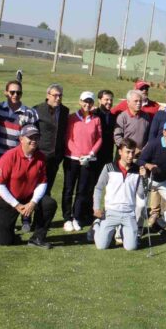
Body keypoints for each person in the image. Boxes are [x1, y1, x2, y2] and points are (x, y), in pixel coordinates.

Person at [0, 125, 58, 249]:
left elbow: (42, 182)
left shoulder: (41, 157)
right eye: (30, 137)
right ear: (21, 139)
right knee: (6, 240)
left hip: (28, 197)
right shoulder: (9, 156)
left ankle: (37, 238)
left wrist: (33, 202)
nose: (34, 140)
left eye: (36, 137)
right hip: (8, 199)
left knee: (49, 203)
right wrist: (16, 205)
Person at [0, 80, 39, 232]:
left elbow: (33, 136)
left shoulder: (29, 113)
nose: (15, 95)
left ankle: (25, 219)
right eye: (12, 92)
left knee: (24, 189)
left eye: (18, 92)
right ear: (6, 93)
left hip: (19, 159)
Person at [92, 138, 146, 251]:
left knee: (131, 247)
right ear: (120, 152)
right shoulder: (109, 167)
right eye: (128, 152)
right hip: (110, 212)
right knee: (101, 246)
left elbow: (141, 194)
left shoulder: (137, 170)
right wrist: (96, 208)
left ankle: (122, 231)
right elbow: (98, 188)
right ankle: (97, 225)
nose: (130, 156)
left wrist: (142, 178)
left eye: (133, 152)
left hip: (129, 214)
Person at [62, 91, 102, 232]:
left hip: (88, 160)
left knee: (82, 190)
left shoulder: (96, 119)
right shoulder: (72, 118)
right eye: (85, 101)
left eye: (90, 102)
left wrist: (90, 154)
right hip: (72, 159)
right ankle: (67, 218)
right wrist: (79, 155)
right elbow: (68, 138)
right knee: (68, 189)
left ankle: (76, 217)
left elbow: (99, 138)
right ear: (80, 102)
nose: (87, 104)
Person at [137, 120, 166, 230]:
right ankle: (138, 229)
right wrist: (148, 165)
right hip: (147, 179)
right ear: (164, 132)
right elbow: (140, 160)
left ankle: (161, 223)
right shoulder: (154, 144)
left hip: (164, 181)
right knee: (141, 206)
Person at [34, 84, 69, 195]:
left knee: (47, 189)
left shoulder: (65, 111)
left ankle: (44, 206)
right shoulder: (37, 110)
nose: (58, 98)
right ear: (48, 95)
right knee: (34, 187)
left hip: (55, 158)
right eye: (55, 95)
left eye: (60, 96)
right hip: (39, 155)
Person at [94, 90, 116, 170]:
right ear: (99, 100)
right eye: (106, 99)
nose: (109, 102)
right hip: (95, 154)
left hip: (108, 155)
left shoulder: (113, 117)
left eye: (111, 100)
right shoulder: (94, 114)